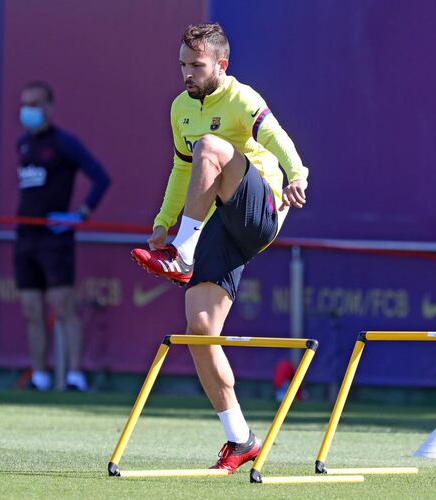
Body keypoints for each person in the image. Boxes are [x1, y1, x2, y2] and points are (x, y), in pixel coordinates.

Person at [131, 23, 309, 473]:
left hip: (261, 209)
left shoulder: (242, 98)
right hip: (221, 224)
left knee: (212, 146)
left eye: (197, 65)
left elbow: (278, 138)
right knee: (200, 330)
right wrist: (162, 222)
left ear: (221, 65)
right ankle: (241, 439)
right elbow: (180, 168)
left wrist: (297, 175)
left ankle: (183, 254)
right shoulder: (179, 109)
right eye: (183, 65)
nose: (187, 73)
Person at [14, 81, 110, 392]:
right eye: (24, 103)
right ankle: (40, 376)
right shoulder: (22, 145)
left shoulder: (64, 143)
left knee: (63, 306)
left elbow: (100, 176)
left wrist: (80, 214)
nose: (28, 110)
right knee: (31, 309)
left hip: (54, 239)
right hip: (25, 235)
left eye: (35, 103)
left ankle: (75, 376)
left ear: (49, 107)